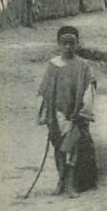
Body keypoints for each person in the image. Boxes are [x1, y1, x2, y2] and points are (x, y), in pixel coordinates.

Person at [37, 25, 98, 196]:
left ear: (77, 44)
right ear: (59, 44)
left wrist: (83, 111)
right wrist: (47, 115)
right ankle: (61, 180)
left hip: (75, 114)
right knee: (58, 147)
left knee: (72, 148)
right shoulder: (53, 66)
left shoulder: (83, 66)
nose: (68, 47)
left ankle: (71, 183)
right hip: (57, 114)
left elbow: (89, 89)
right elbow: (46, 92)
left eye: (72, 43)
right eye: (64, 43)